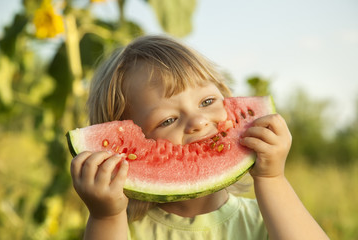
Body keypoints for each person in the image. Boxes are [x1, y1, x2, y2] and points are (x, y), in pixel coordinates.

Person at [70, 35, 329, 240]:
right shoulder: (124, 229)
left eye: (207, 101)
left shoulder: (266, 219)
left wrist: (273, 179)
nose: (198, 121)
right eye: (168, 120)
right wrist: (105, 218)